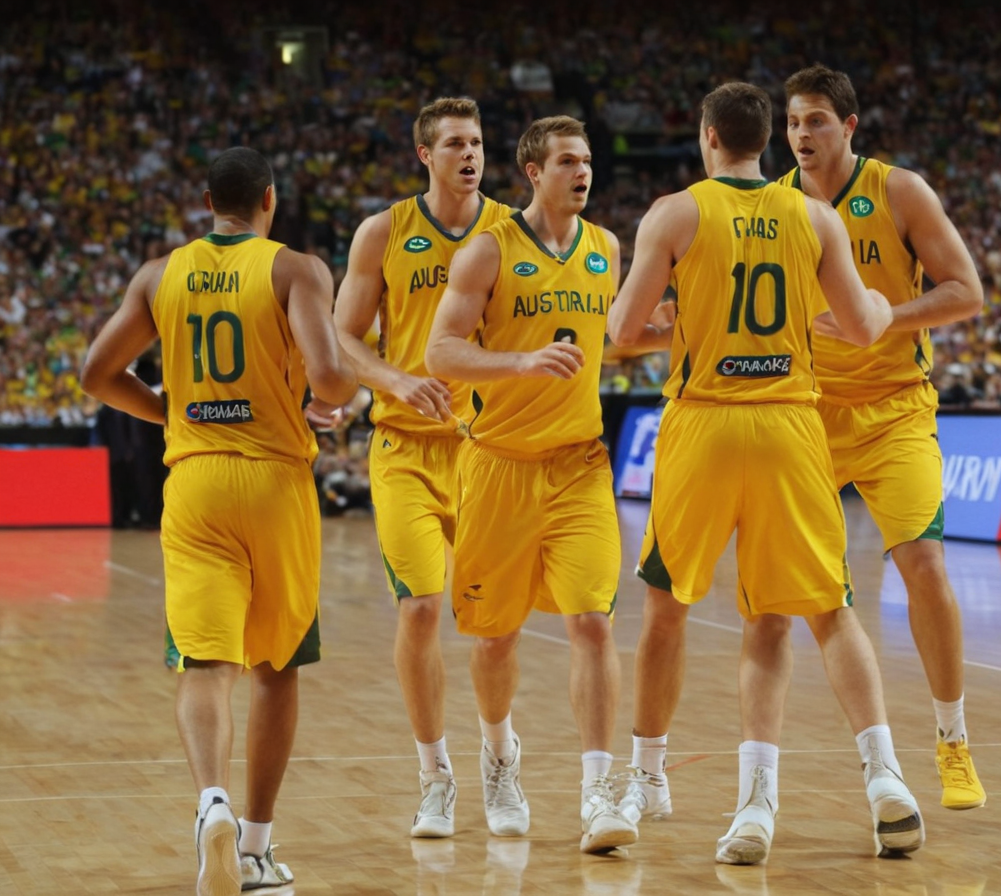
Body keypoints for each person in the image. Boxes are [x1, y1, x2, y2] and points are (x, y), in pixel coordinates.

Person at [607, 81, 922, 865]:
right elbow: (862, 328)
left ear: (709, 137)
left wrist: (683, 322)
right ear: (767, 142)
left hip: (705, 426)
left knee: (667, 608)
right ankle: (884, 776)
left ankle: (649, 779)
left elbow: (621, 331)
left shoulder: (675, 213)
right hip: (789, 425)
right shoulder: (815, 216)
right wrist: (882, 307)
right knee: (826, 610)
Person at [80, 146, 358, 896]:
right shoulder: (296, 269)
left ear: (208, 202)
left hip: (196, 481)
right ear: (270, 199)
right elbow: (332, 377)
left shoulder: (158, 275)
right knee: (276, 669)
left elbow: (97, 373)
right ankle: (257, 849)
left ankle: (211, 805)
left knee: (207, 665)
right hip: (275, 483)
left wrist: (169, 411)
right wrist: (334, 398)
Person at [424, 115, 638, 855]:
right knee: (495, 639)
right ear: (533, 172)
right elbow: (441, 351)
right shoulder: (489, 251)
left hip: (580, 466)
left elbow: (617, 338)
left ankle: (598, 793)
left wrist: (685, 328)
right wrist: (519, 363)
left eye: (588, 160)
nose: (583, 172)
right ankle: (498, 755)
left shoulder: (606, 248)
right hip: (498, 467)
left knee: (593, 623)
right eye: (568, 161)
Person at [780, 63, 987, 810]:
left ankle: (953, 740)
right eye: (792, 122)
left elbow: (966, 291)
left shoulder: (899, 190)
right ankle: (873, 757)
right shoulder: (776, 205)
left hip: (896, 408)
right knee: (806, 590)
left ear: (848, 126)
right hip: (806, 414)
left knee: (923, 565)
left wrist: (882, 317)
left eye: (815, 120)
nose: (801, 134)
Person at [333, 96, 513, 838]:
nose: (470, 154)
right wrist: (395, 379)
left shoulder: (512, 232)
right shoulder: (383, 232)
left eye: (477, 142)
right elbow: (343, 337)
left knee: (492, 622)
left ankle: (500, 757)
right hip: (404, 446)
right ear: (425, 155)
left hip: (488, 448)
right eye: (455, 144)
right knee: (421, 608)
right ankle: (435, 774)